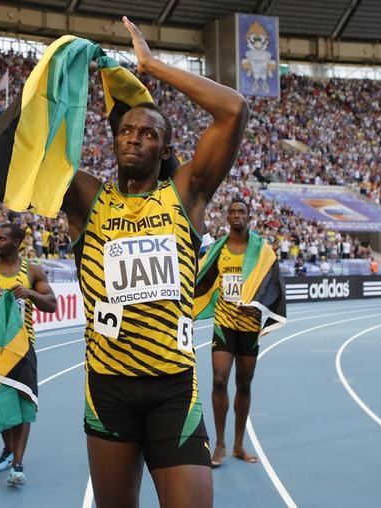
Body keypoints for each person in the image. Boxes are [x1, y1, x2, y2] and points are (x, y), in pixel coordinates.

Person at [60, 16, 248, 508]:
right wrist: (66, 74)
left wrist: (151, 66)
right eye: (126, 129)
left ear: (165, 148)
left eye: (148, 132)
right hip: (108, 389)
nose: (135, 137)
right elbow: (32, 152)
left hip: (172, 390)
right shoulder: (86, 199)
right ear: (114, 141)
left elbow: (233, 110)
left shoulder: (186, 194)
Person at [0, 223, 56, 486]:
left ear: (16, 243)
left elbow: (52, 304)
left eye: (2, 238)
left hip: (23, 349)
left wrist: (29, 293)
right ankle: (8, 450)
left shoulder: (32, 271)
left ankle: (18, 463)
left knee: (23, 404)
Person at [205, 199, 282, 467]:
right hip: (224, 323)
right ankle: (220, 444)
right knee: (218, 380)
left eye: (242, 212)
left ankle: (238, 444)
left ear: (249, 217)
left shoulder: (262, 251)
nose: (237, 215)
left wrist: (259, 307)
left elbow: (274, 287)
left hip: (249, 327)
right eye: (233, 211)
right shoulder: (219, 249)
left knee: (244, 384)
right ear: (227, 217)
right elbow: (201, 276)